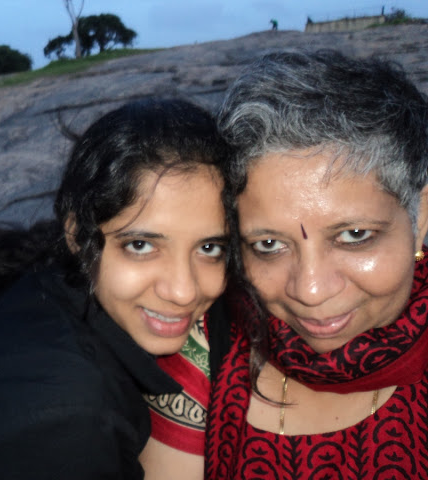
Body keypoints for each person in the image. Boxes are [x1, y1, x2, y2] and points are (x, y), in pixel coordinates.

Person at [0, 97, 233, 479]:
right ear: (77, 235)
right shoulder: (69, 422)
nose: (184, 291)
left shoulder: (45, 282)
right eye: (141, 246)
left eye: (210, 248)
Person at [142, 50, 428, 479]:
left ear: (420, 217)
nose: (310, 291)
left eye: (354, 235)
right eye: (269, 244)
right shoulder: (201, 347)